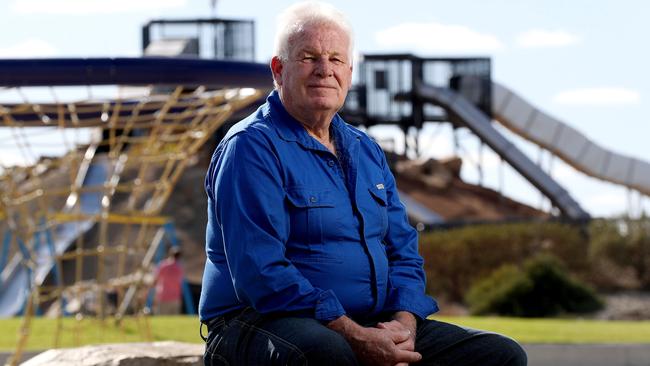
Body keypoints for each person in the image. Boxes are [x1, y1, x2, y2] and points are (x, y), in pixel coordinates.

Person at [199, 2, 527, 365]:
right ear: (278, 69)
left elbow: (403, 250)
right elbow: (260, 273)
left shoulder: (365, 150)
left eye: (336, 60)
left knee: (500, 355)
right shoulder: (250, 147)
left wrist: (403, 325)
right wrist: (352, 333)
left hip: (365, 321)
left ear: (350, 73)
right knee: (328, 352)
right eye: (309, 57)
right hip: (257, 322)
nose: (325, 70)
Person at [154, 246, 184, 315]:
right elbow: (180, 282)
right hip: (175, 297)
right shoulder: (179, 267)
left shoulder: (163, 265)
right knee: (174, 321)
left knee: (161, 320)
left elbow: (155, 280)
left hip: (163, 296)